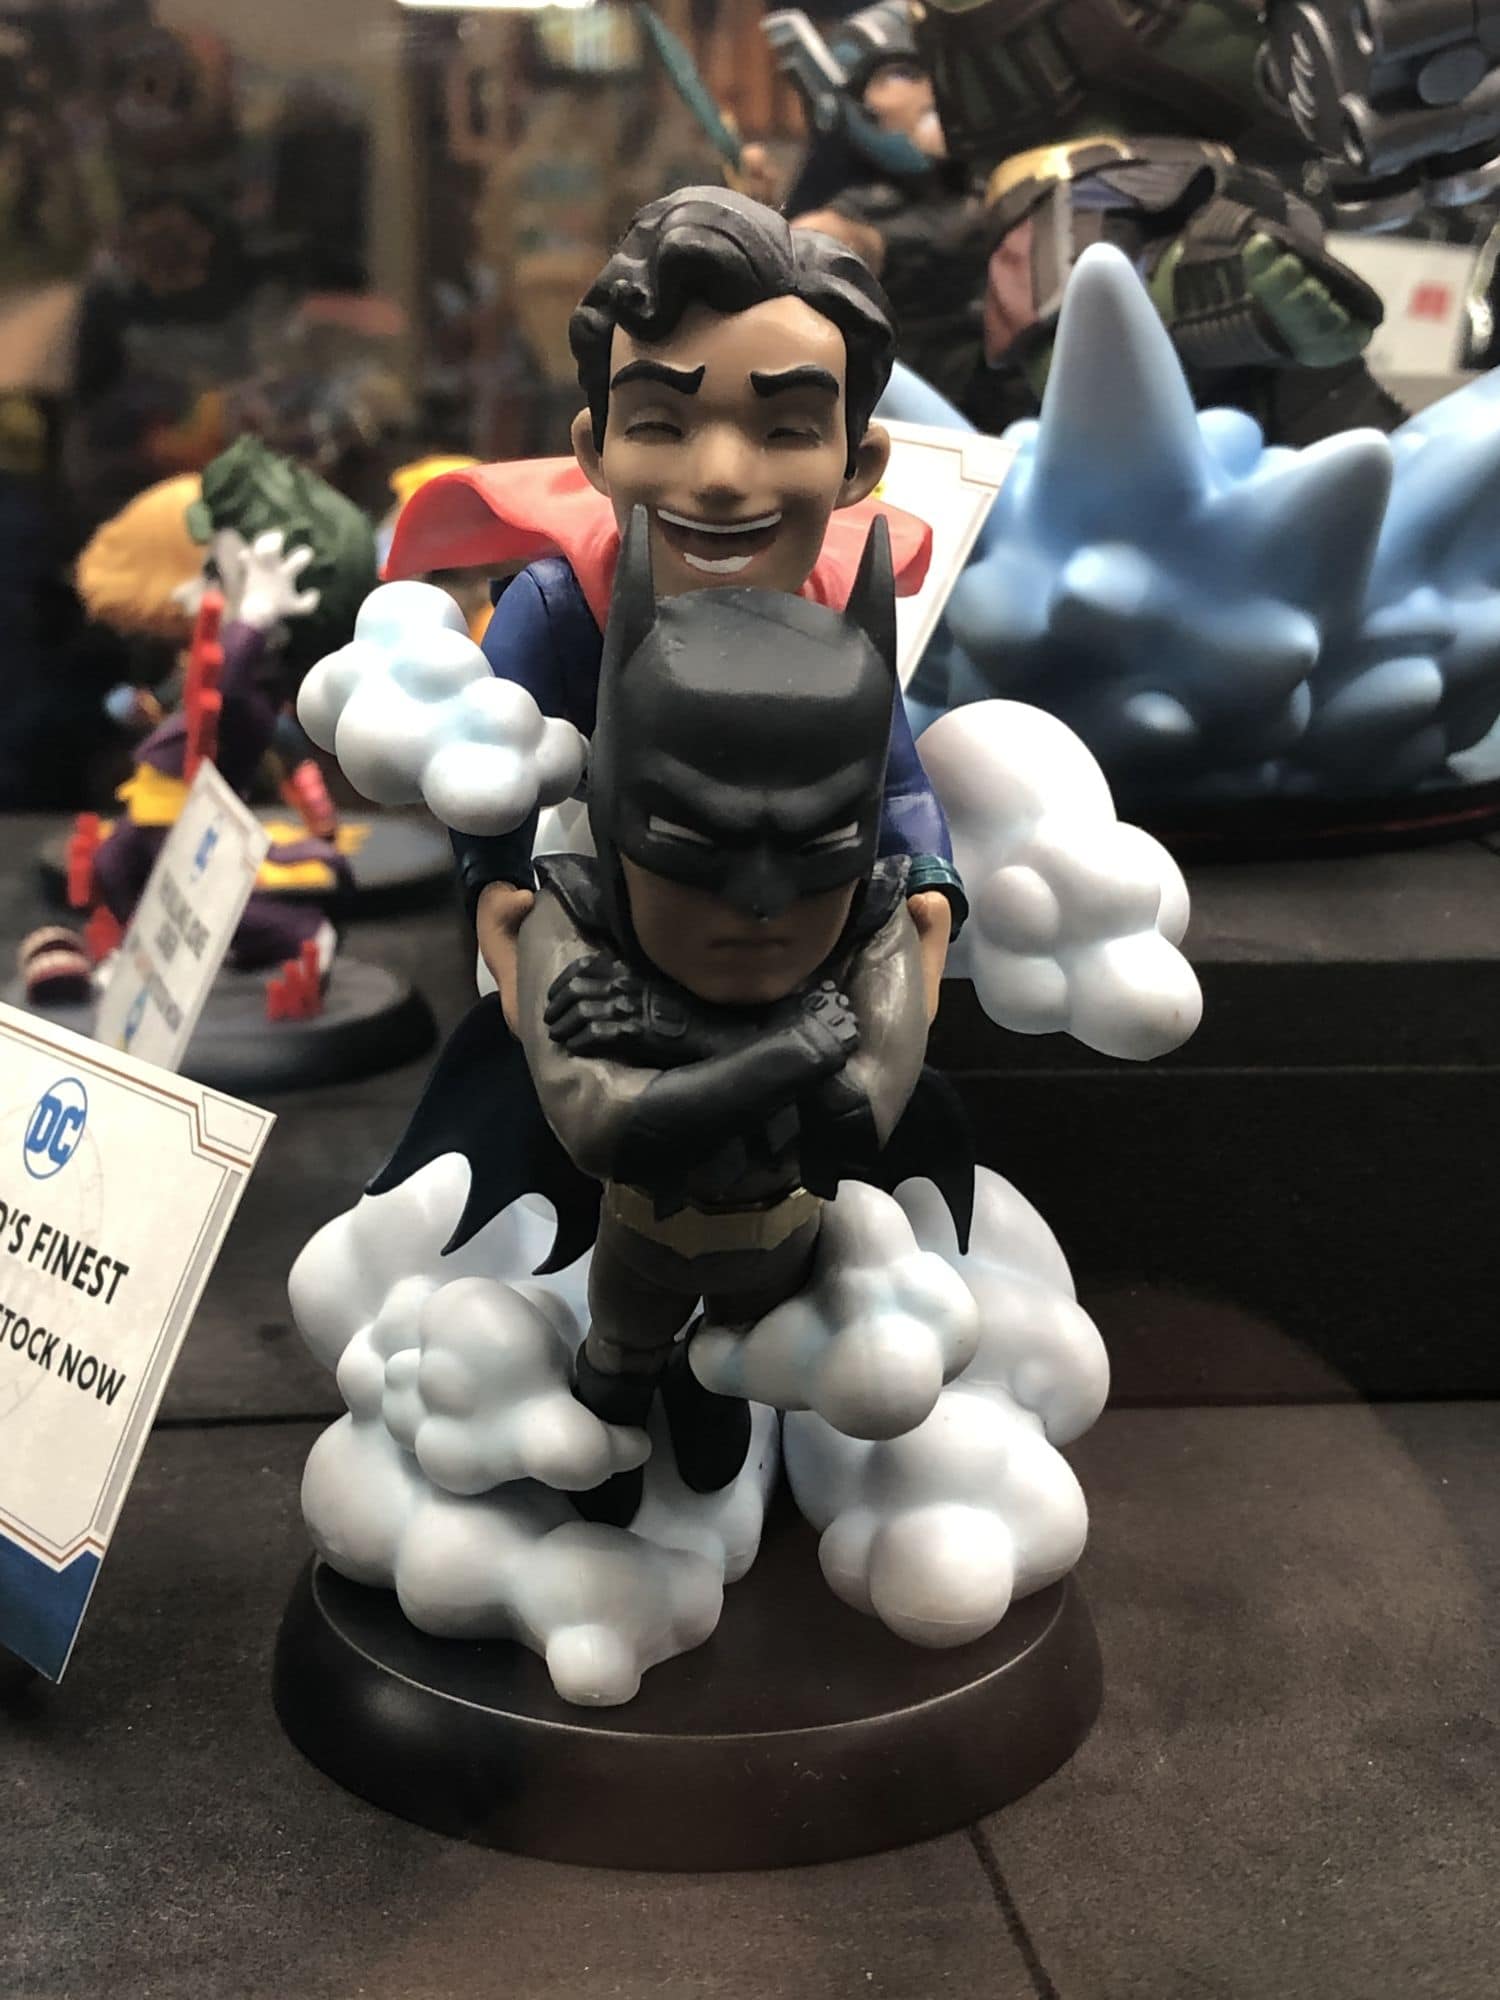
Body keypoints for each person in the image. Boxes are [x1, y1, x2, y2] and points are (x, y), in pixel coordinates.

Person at [370, 510, 968, 1528]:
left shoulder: (877, 920)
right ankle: (618, 1445)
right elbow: (607, 1125)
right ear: (618, 817)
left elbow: (857, 1116)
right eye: (697, 845)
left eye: (816, 845)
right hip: (642, 1238)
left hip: (785, 1245)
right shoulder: (574, 914)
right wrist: (792, 1046)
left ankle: (710, 1405)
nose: (762, 904)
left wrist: (669, 1031)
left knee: (730, 1380)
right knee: (617, 1363)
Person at [382, 187, 965, 1031]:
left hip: (796, 940)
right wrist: (496, 893)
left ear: (858, 466)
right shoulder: (563, 614)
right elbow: (487, 781)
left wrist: (930, 889)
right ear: (596, 449)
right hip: (595, 933)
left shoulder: (836, 603)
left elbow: (896, 779)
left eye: (786, 431)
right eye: (661, 424)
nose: (722, 477)